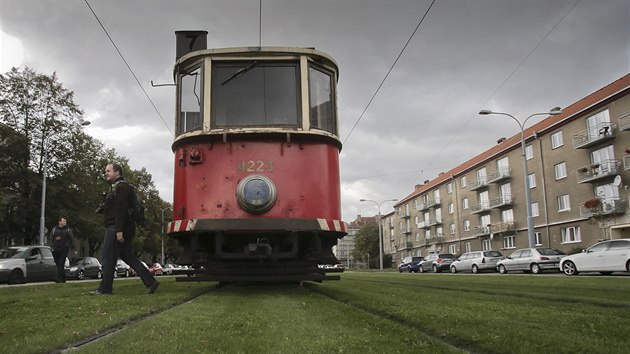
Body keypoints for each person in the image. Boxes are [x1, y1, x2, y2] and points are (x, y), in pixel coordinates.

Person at [93, 162, 159, 295]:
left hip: (117, 228)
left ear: (117, 172)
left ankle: (105, 289)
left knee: (108, 258)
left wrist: (119, 230)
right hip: (124, 227)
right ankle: (151, 282)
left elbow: (121, 210)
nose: (106, 173)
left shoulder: (121, 187)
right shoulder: (118, 187)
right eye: (106, 171)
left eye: (108, 171)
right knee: (128, 257)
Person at [50, 217, 74, 283]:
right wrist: (52, 246)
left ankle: (59, 278)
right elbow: (51, 239)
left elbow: (71, 238)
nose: (65, 223)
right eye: (63, 221)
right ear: (59, 222)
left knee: (61, 263)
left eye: (65, 221)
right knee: (58, 264)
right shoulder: (54, 229)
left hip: (64, 249)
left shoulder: (68, 230)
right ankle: (63, 279)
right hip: (56, 249)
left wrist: (73, 248)